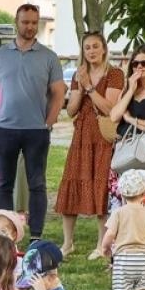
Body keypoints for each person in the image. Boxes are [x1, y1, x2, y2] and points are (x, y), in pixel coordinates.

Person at [0, 4, 66, 241]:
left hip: (36, 131)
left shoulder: (49, 57)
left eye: (34, 22)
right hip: (5, 129)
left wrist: (48, 122)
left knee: (37, 184)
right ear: (16, 22)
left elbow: (58, 93)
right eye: (25, 22)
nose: (30, 27)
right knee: (4, 183)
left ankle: (36, 236)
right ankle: (3, 233)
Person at [55, 31, 125, 259]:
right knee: (71, 181)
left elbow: (109, 109)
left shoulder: (115, 74)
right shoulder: (80, 74)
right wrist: (79, 87)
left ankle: (101, 245)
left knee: (101, 186)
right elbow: (71, 110)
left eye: (96, 46)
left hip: (102, 136)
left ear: (104, 49)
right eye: (87, 48)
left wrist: (90, 88)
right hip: (82, 134)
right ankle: (68, 243)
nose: (92, 51)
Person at [108, 44, 145, 215]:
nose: (140, 67)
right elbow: (114, 116)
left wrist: (130, 120)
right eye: (135, 64)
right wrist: (130, 90)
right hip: (123, 148)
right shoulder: (128, 89)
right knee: (119, 202)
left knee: (142, 202)